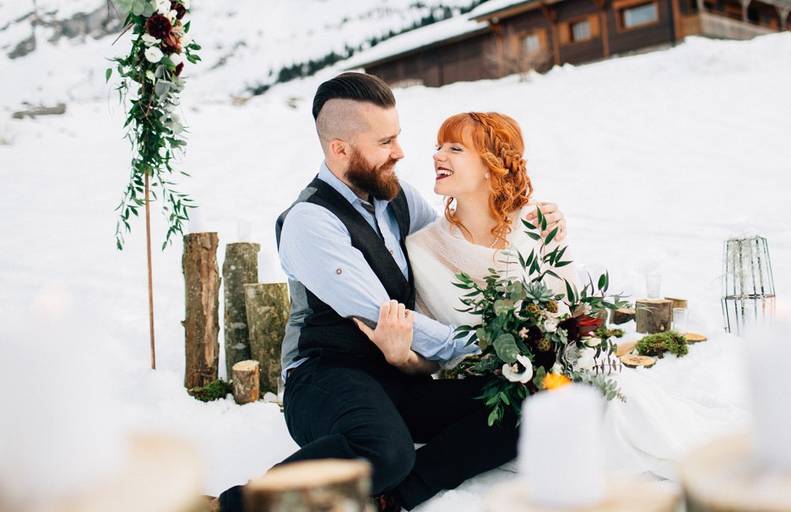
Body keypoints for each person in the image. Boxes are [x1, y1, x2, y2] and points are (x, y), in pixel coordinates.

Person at [217, 73, 567, 511]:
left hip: (395, 376)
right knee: (384, 451)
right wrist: (482, 346)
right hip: (325, 377)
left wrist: (521, 220)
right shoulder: (310, 220)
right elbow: (379, 312)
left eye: (397, 137)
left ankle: (393, 500)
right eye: (385, 142)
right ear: (339, 149)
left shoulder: (397, 198)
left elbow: (456, 238)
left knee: (524, 407)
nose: (400, 152)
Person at [366, 110, 738, 484]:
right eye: (438, 147)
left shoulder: (536, 223)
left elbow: (574, 312)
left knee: (625, 407)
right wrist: (402, 357)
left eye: (455, 148)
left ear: (490, 166)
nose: (437, 156)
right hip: (490, 397)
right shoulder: (421, 250)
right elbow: (435, 353)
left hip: (560, 373)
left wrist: (568, 358)